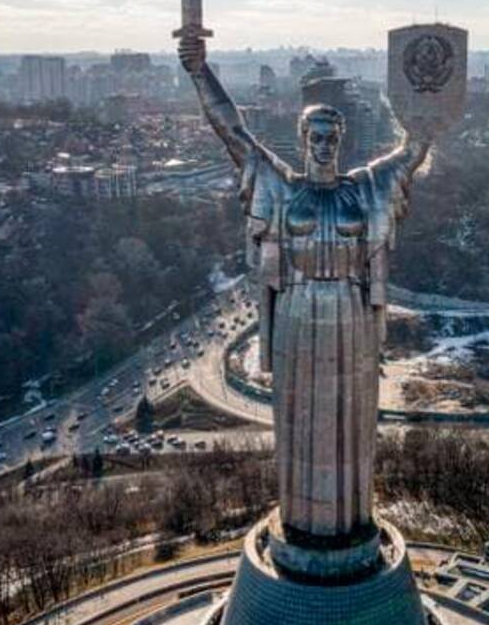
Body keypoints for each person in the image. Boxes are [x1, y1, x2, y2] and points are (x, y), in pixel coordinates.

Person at [179, 36, 433, 544]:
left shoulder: (364, 188)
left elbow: (415, 149)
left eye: (330, 137)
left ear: (340, 141)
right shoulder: (282, 188)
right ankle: (301, 525)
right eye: (314, 136)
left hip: (349, 309)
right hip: (296, 308)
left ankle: (350, 525)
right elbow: (234, 134)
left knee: (353, 414)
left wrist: (421, 94)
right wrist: (200, 72)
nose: (322, 145)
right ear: (301, 139)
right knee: (297, 415)